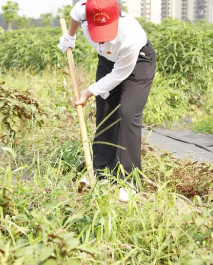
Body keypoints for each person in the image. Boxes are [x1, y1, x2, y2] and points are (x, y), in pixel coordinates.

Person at [58, 0, 156, 202]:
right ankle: (101, 171)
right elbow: (75, 16)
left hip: (136, 63)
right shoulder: (83, 11)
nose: (101, 38)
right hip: (108, 61)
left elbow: (120, 74)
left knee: (128, 114)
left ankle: (130, 181)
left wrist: (88, 91)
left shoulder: (130, 35)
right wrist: (70, 36)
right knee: (105, 112)